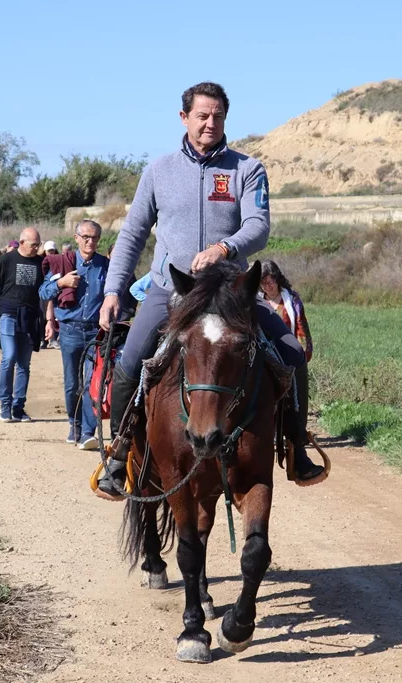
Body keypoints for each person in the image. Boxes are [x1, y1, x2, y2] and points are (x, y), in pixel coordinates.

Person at [96, 81, 325, 498]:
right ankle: (119, 453)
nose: (210, 123)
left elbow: (258, 226)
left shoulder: (247, 169)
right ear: (184, 118)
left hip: (231, 293)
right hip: (171, 290)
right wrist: (114, 291)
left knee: (290, 350)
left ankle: (295, 447)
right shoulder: (158, 171)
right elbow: (132, 234)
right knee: (130, 360)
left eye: (217, 116)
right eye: (202, 115)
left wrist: (224, 248)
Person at [39, 220, 108, 448]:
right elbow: (43, 291)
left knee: (91, 383)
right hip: (69, 331)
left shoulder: (106, 266)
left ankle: (88, 432)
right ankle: (74, 425)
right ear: (77, 238)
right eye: (86, 237)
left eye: (95, 238)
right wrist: (62, 283)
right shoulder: (63, 264)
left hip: (96, 333)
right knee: (72, 384)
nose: (90, 241)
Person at [0, 227, 46, 423]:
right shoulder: (7, 260)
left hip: (30, 317)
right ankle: (5, 404)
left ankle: (18, 407)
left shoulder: (41, 262)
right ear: (22, 243)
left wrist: (48, 320)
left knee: (24, 364)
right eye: (33, 244)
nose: (36, 248)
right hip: (8, 314)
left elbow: (47, 292)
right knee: (8, 356)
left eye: (38, 244)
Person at [259, 261, 313, 362]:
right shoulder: (258, 301)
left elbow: (301, 326)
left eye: (270, 282)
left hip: (288, 350)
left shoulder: (292, 299)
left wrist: (302, 354)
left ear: (277, 279)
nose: (267, 287)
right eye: (263, 283)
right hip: (264, 353)